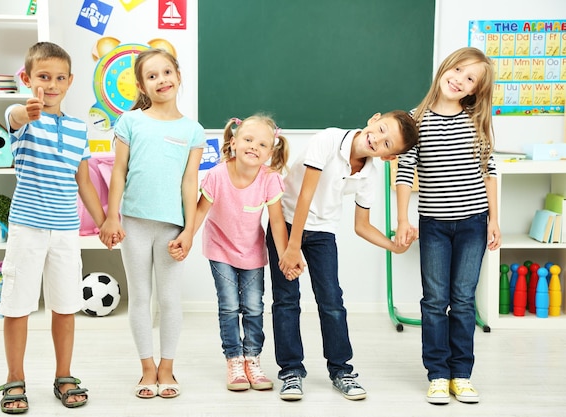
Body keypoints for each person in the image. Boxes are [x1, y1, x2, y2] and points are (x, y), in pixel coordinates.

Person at [268, 111, 420, 401]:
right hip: (287, 223)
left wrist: (394, 246)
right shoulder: (328, 139)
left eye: (388, 144)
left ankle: (341, 370)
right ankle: (290, 371)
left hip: (322, 231)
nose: (378, 140)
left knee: (332, 301)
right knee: (286, 300)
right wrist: (291, 247)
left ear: (389, 158)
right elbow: (305, 197)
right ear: (374, 119)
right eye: (381, 129)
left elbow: (361, 226)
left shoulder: (369, 175)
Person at [0, 42, 106, 413]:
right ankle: (15, 379)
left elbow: (85, 182)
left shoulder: (78, 129)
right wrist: (26, 112)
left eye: (60, 78)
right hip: (27, 228)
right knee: (17, 306)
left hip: (65, 231)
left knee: (64, 306)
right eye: (43, 77)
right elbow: (13, 116)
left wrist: (106, 220)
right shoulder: (24, 120)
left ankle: (64, 376)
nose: (52, 84)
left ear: (71, 81)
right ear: (27, 79)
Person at [394, 47, 501, 405]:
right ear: (445, 68)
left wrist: (494, 220)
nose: (459, 79)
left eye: (470, 79)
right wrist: (403, 219)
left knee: (464, 300)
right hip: (435, 225)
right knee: (435, 300)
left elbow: (489, 172)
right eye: (458, 70)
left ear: (474, 90)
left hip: (473, 223)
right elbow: (405, 173)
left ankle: (462, 374)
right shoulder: (415, 119)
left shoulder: (476, 120)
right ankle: (438, 374)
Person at [98, 48, 205, 400]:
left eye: (166, 72)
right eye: (152, 76)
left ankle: (167, 368)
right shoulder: (130, 123)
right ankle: (147, 368)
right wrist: (112, 216)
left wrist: (189, 230)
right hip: (134, 223)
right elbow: (118, 172)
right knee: (140, 297)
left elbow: (191, 182)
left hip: (172, 227)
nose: (162, 80)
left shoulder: (192, 130)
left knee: (171, 300)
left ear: (178, 75)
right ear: (142, 87)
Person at [169, 115, 301, 392]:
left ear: (270, 151)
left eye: (262, 144)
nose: (254, 147)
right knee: (229, 306)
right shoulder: (217, 175)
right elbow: (200, 211)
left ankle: (252, 359)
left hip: (252, 253)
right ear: (233, 142)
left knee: (253, 307)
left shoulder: (270, 179)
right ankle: (234, 359)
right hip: (220, 249)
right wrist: (186, 238)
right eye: (248, 140)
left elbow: (276, 222)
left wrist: (285, 255)